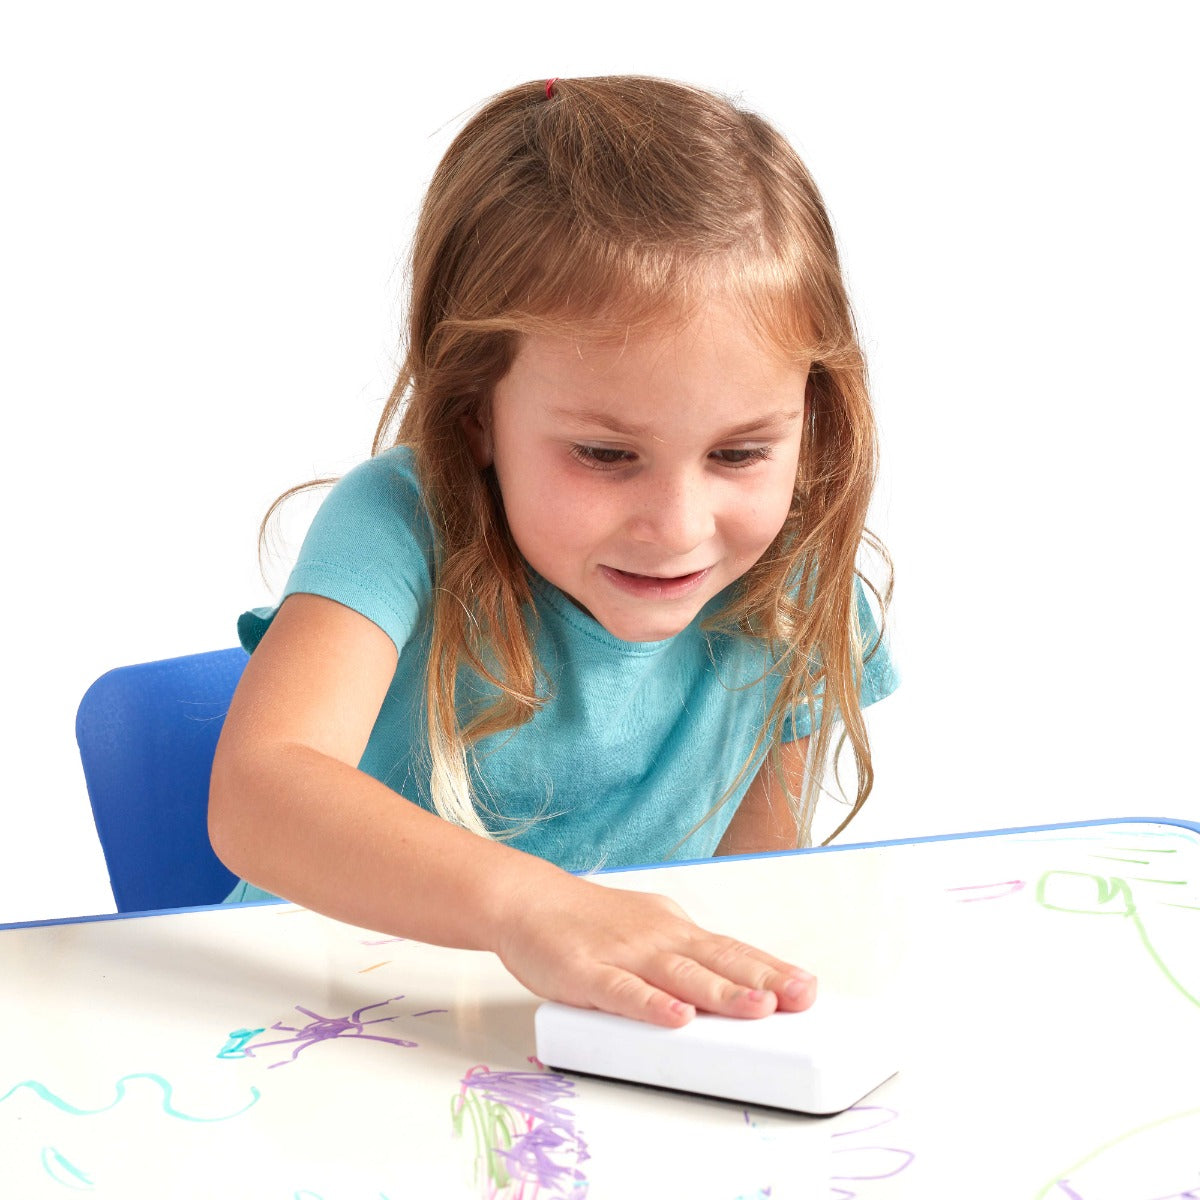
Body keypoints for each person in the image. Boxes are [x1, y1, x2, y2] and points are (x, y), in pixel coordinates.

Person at [209, 75, 897, 1029]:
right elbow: (258, 791)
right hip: (323, 1027)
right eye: (606, 455)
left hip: (585, 1056)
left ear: (810, 412)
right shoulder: (400, 523)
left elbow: (750, 901)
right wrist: (531, 907)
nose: (679, 525)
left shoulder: (796, 583)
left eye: (740, 453)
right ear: (475, 414)